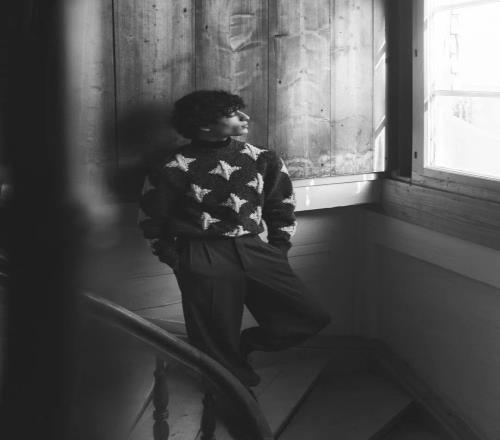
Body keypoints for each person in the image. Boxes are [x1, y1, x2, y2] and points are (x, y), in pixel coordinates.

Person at [139, 90, 331, 388]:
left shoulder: (262, 157)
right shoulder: (172, 166)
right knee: (214, 338)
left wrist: (279, 248)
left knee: (309, 317)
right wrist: (177, 260)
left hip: (254, 247)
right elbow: (151, 220)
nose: (245, 117)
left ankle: (247, 345)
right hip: (201, 253)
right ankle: (229, 395)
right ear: (205, 126)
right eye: (232, 114)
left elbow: (281, 205)